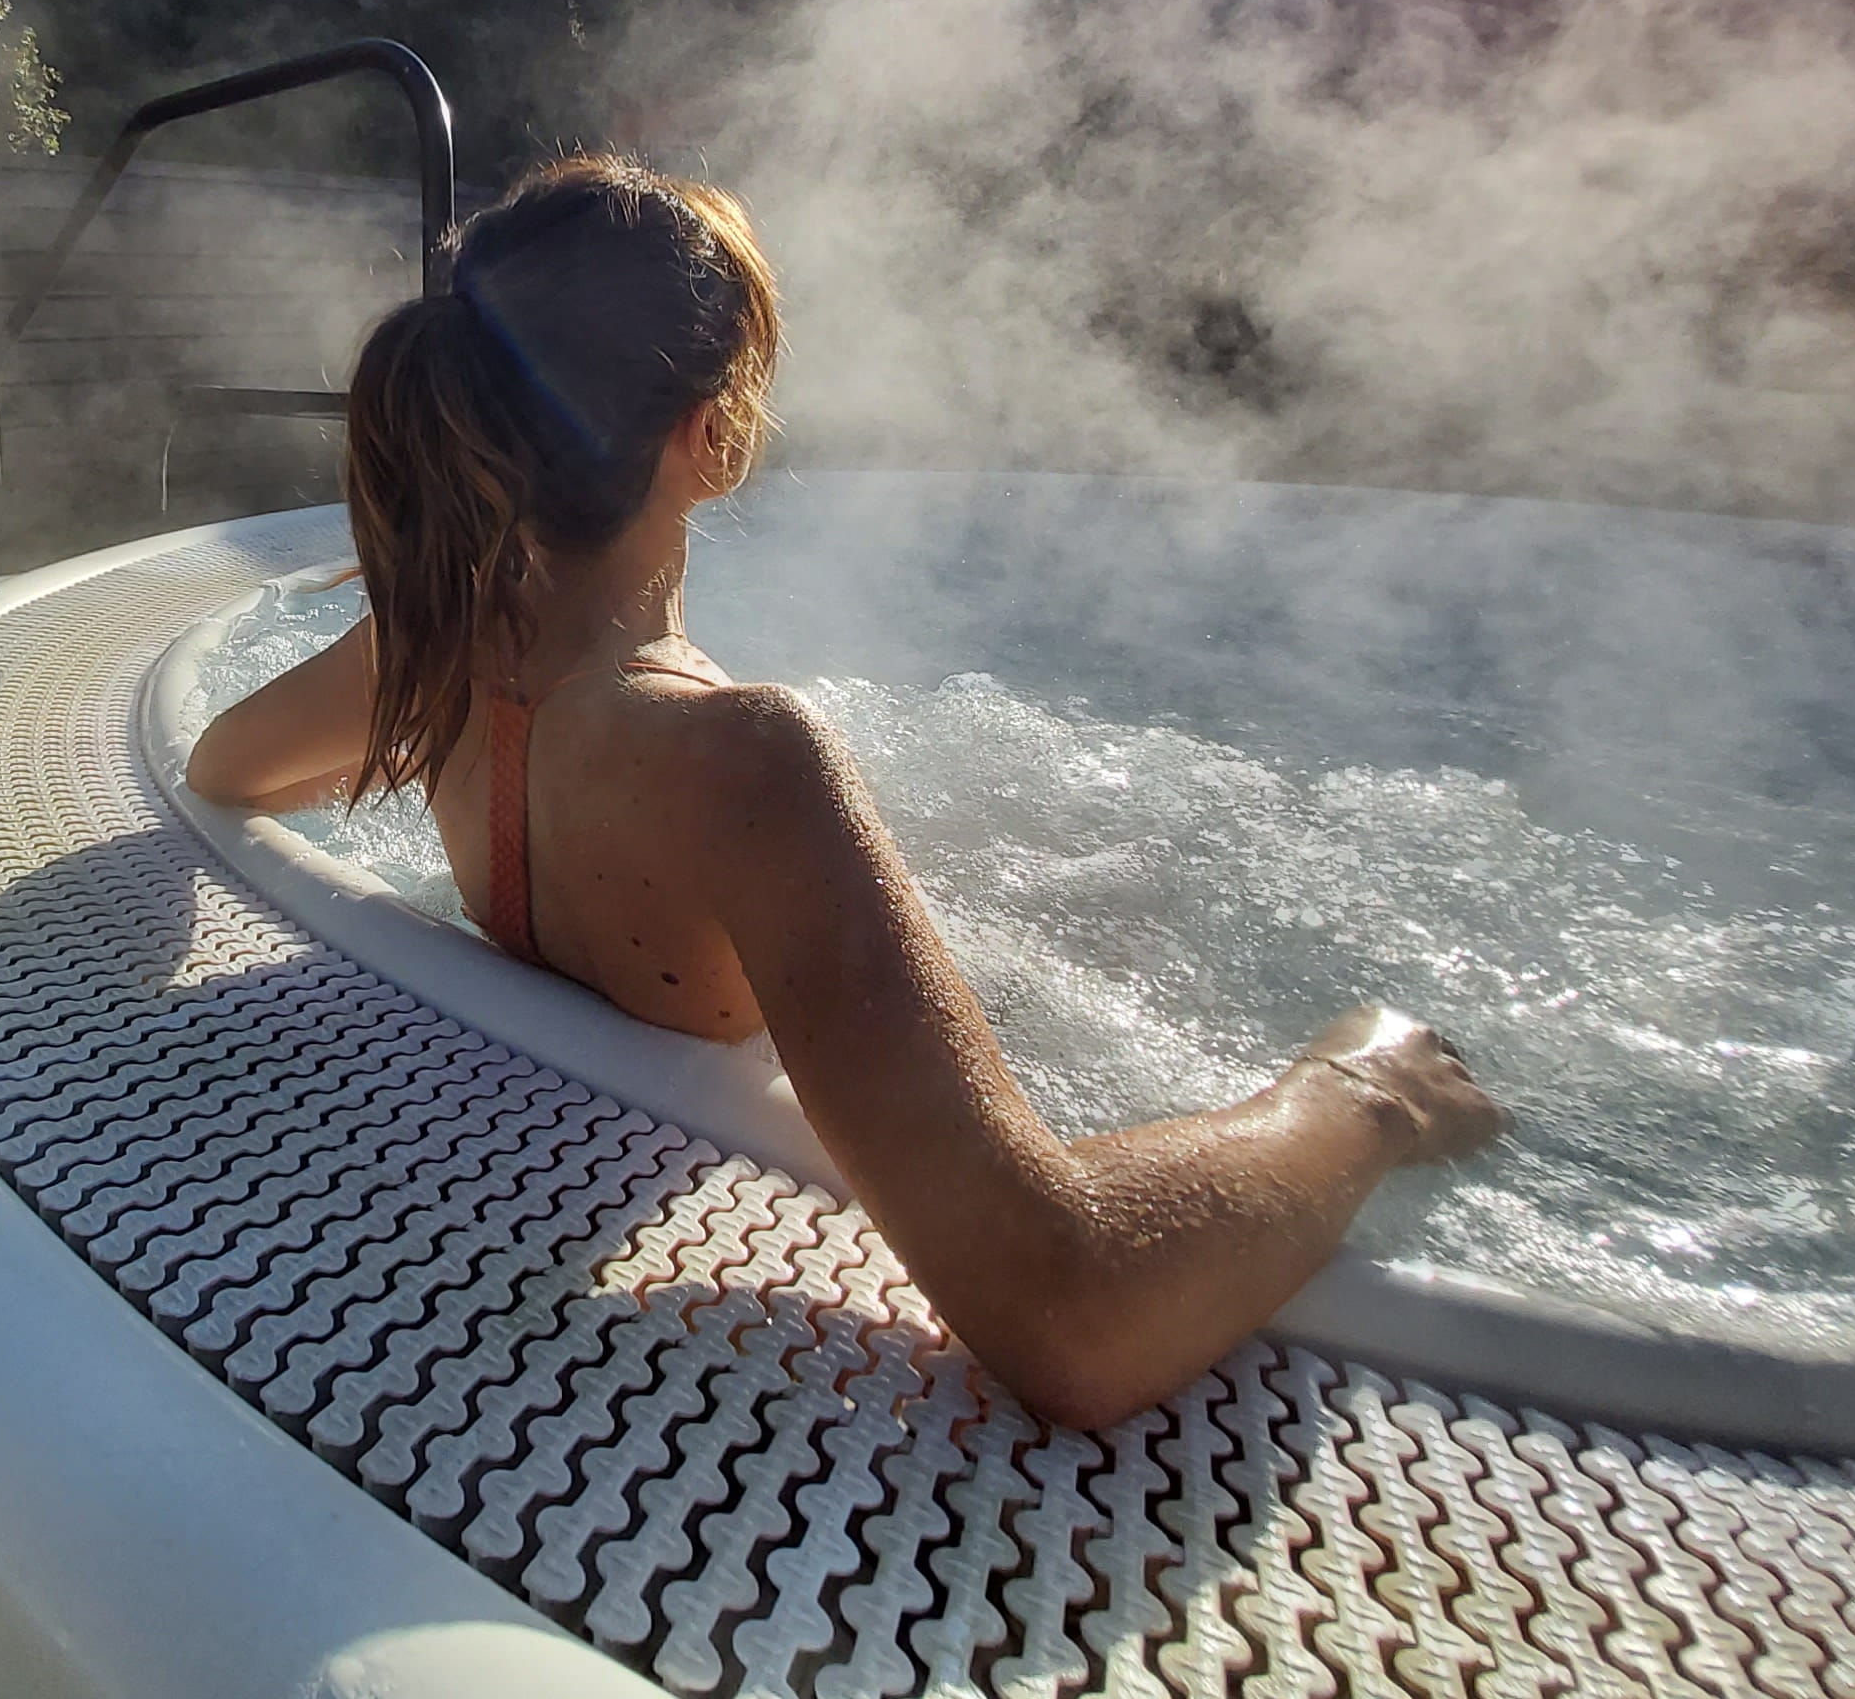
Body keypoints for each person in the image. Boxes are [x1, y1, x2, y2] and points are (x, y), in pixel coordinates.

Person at [187, 154, 1504, 1431]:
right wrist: (1359, 1097)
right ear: (707, 437)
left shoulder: (435, 648)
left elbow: (227, 769)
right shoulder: (742, 761)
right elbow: (1070, 1308)